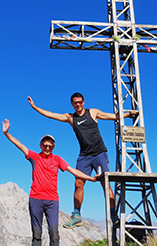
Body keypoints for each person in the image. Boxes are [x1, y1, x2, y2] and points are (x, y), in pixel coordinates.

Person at [27, 93, 138, 229]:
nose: (78, 105)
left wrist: (128, 115)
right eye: (75, 103)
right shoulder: (70, 118)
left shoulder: (92, 112)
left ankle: (113, 214)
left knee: (105, 182)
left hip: (99, 153)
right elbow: (50, 115)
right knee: (78, 182)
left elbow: (113, 117)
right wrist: (34, 107)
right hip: (84, 156)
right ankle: (77, 216)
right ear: (72, 104)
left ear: (83, 102)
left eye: (80, 102)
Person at [2, 118, 96, 246]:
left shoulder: (57, 159)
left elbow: (73, 171)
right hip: (35, 200)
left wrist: (91, 178)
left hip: (52, 201)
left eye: (50, 145)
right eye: (45, 145)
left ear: (53, 147)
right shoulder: (34, 157)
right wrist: (6, 133)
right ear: (41, 146)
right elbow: (19, 144)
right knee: (36, 234)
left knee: (54, 233)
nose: (47, 147)